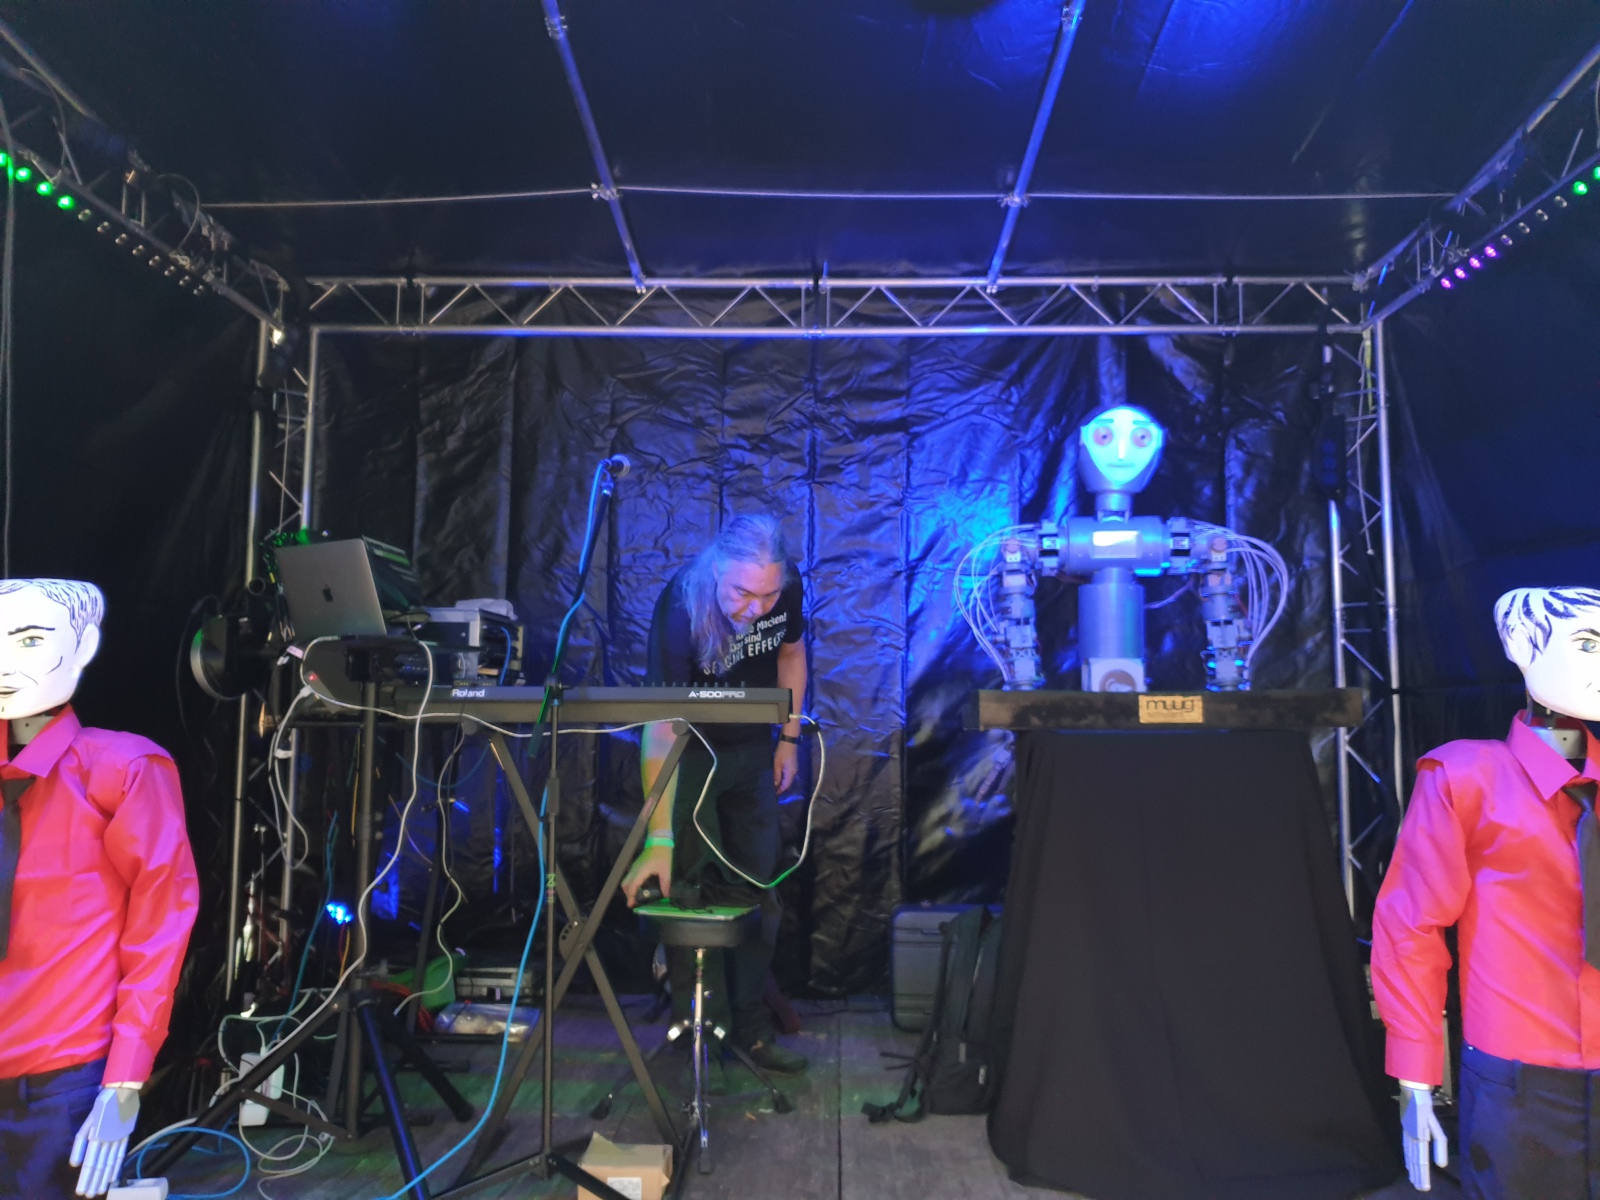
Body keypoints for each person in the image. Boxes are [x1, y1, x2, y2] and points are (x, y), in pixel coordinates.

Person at [1372, 585, 1600, 1198]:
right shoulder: (1465, 778)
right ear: (1523, 648)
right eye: (1588, 644)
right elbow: (1412, 926)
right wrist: (1415, 1078)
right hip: (1517, 1082)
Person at [0, 579, 200, 1198]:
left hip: (59, 1081)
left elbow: (161, 926)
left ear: (83, 646)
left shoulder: (123, 770)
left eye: (29, 640)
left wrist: (124, 1080)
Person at [620, 514, 809, 1075]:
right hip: (690, 751)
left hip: (750, 750)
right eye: (743, 593)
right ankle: (703, 1036)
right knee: (690, 894)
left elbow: (791, 655)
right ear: (717, 568)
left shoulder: (785, 587)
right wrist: (658, 838)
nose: (756, 607)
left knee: (758, 891)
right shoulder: (681, 604)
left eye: (767, 595)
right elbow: (661, 725)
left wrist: (789, 740)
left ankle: (751, 1032)